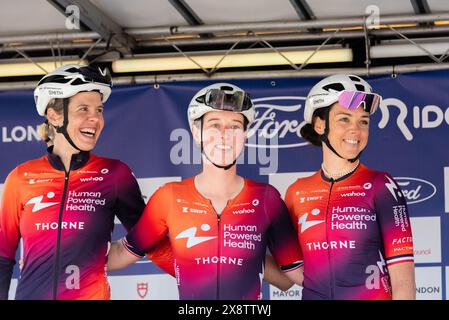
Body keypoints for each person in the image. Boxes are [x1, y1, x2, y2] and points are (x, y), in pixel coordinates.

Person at [107, 83, 303, 299]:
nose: (224, 135)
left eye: (235, 126)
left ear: (245, 135)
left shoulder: (266, 198)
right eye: (214, 125)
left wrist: (248, 259)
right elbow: (120, 254)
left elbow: (291, 276)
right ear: (195, 131)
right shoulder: (169, 197)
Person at [0, 64, 149, 300]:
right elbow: (3, 254)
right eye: (84, 109)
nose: (96, 118)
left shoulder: (114, 173)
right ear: (54, 115)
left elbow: (151, 233)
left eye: (99, 110)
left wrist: (121, 252)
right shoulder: (20, 178)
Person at [284, 74, 415, 300]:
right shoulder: (297, 192)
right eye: (344, 119)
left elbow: (404, 283)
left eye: (363, 121)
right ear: (319, 124)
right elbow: (287, 271)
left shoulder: (381, 185)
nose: (356, 130)